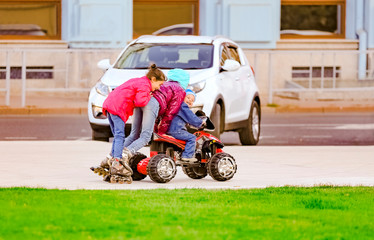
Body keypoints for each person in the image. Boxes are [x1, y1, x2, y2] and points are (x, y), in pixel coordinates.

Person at [99, 64, 165, 183]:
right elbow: (140, 101)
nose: (158, 89)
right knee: (119, 135)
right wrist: (148, 96)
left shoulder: (138, 81)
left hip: (109, 105)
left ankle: (111, 158)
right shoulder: (145, 85)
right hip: (118, 108)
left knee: (116, 136)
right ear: (153, 79)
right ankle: (118, 162)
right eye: (159, 85)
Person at [122, 68, 189, 161]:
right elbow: (170, 113)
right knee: (145, 137)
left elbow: (157, 115)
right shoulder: (180, 90)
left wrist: (156, 128)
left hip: (142, 101)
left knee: (134, 134)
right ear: (184, 81)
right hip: (152, 103)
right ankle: (125, 155)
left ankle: (113, 155)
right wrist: (161, 131)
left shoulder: (164, 84)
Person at [167, 89, 205, 163]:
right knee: (192, 138)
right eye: (188, 98)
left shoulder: (175, 105)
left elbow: (187, 119)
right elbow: (191, 117)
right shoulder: (182, 106)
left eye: (192, 100)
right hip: (176, 130)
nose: (190, 101)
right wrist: (201, 122)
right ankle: (187, 156)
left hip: (168, 129)